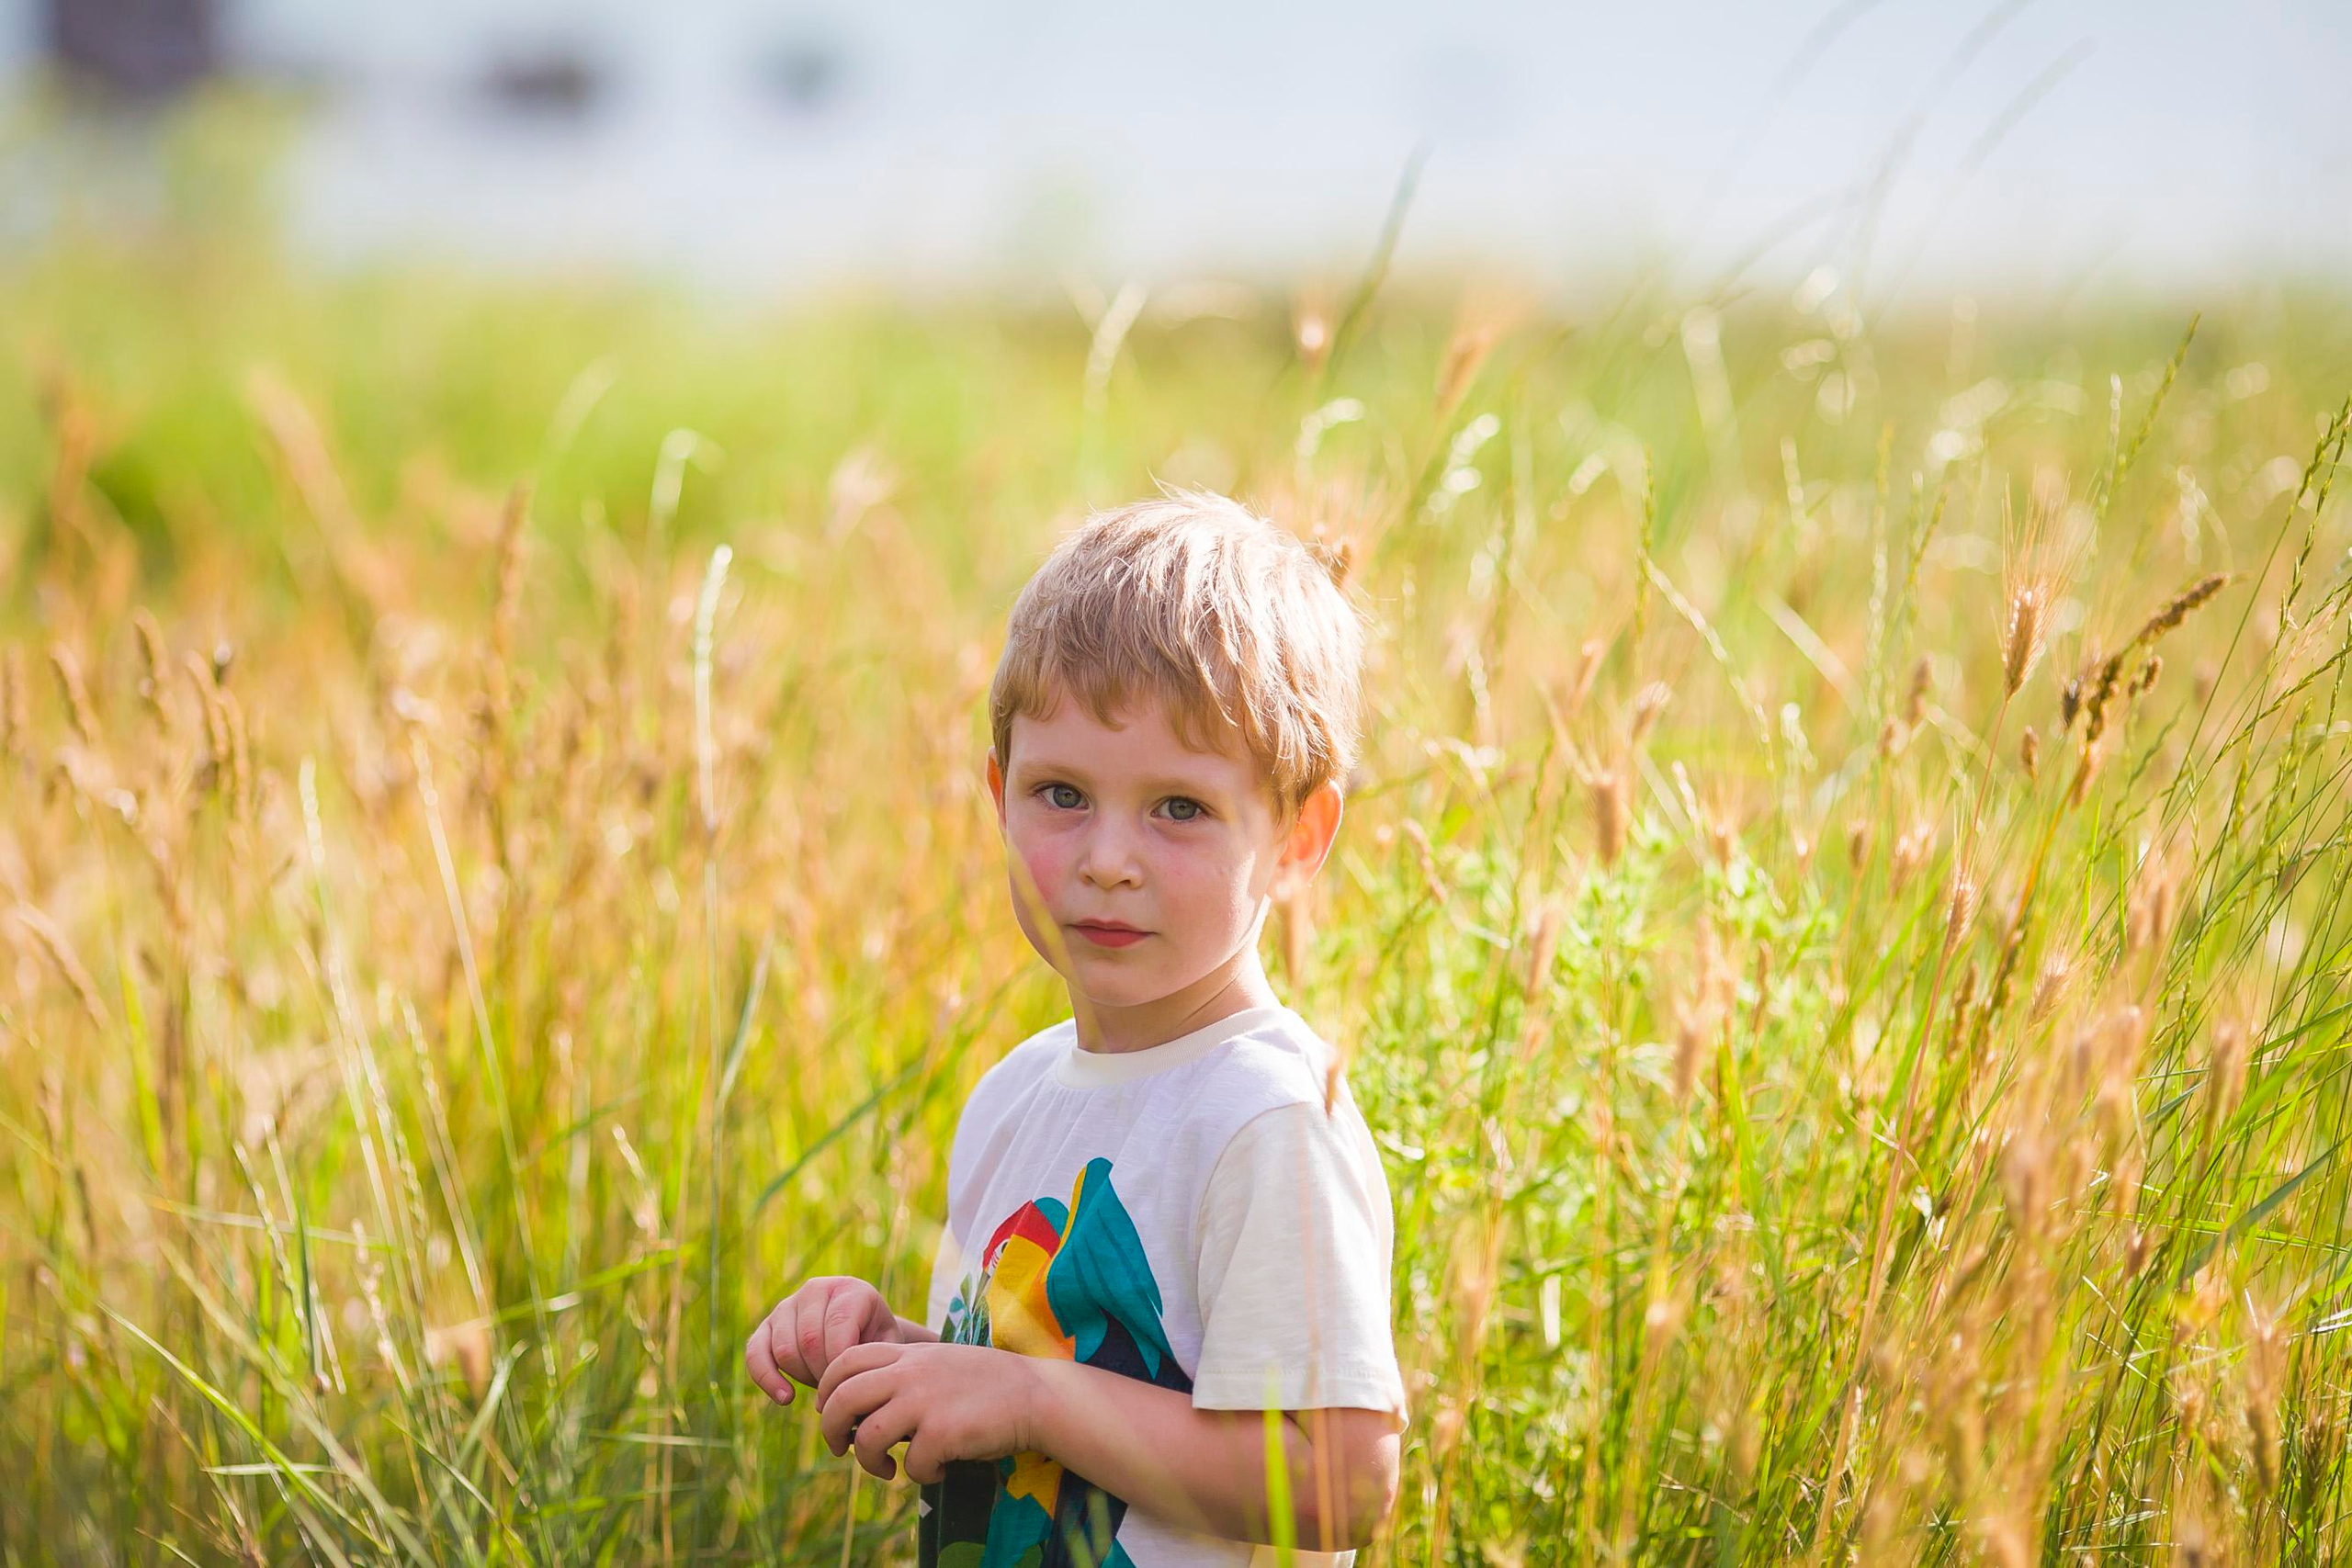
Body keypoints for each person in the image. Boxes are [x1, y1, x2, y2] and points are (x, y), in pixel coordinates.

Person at [745, 487, 1408, 1565]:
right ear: (998, 796)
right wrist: (903, 1361)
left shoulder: (1266, 1119)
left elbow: (1339, 1483)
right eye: (1061, 795)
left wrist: (1028, 1399)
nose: (1108, 857)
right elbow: (1031, 1409)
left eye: (1179, 808)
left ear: (1297, 836)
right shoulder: (1014, 1097)